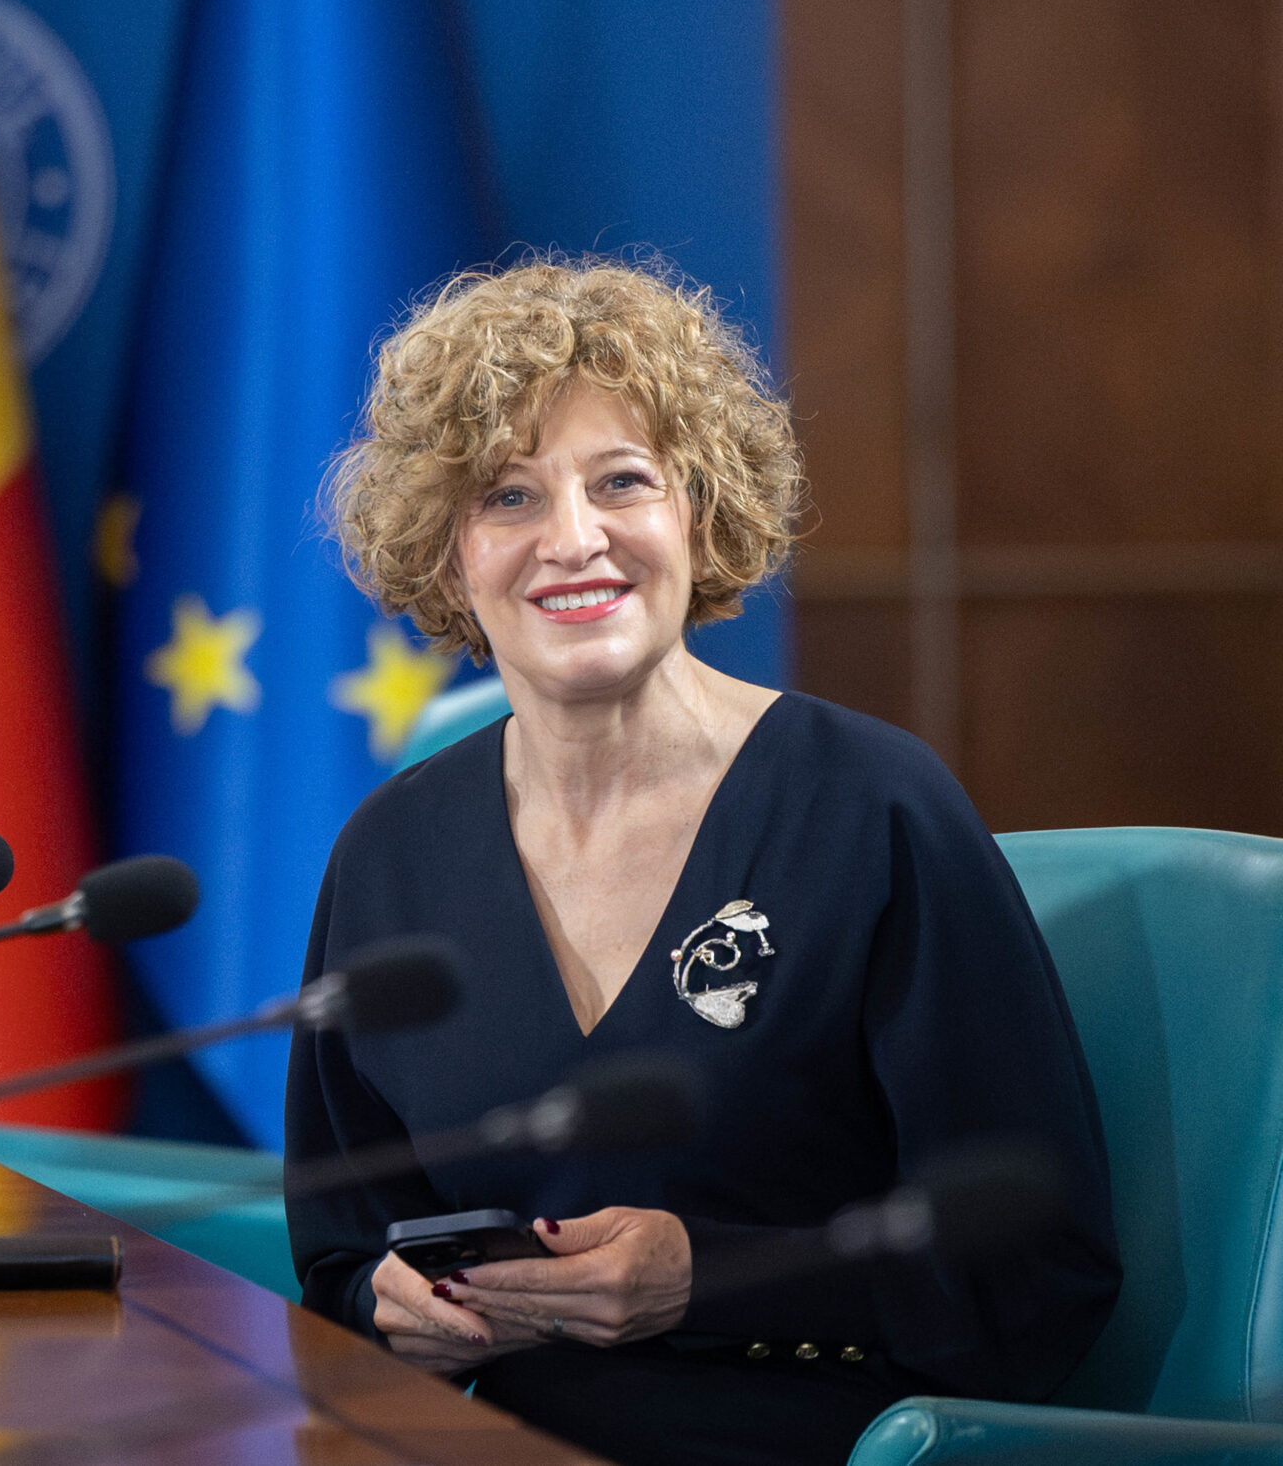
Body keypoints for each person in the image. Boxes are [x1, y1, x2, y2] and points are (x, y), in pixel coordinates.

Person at [290, 259, 1119, 1466]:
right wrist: (389, 1308)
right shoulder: (389, 854)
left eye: (621, 481)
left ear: (700, 507)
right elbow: (338, 1249)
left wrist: (712, 1278)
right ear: (446, 549)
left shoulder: (874, 808)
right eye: (509, 495)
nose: (573, 539)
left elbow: (1039, 1270)